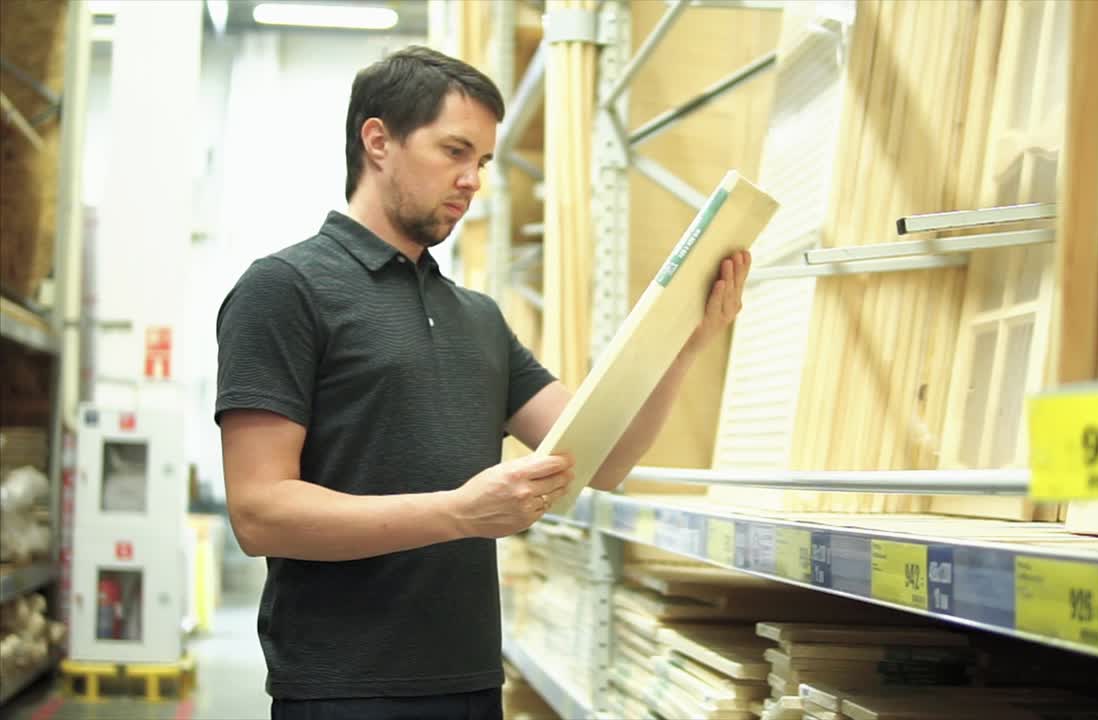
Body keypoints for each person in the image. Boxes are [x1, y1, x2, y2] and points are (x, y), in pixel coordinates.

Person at [215, 45, 751, 720]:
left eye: (485, 162)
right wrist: (459, 514)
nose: (472, 181)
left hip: (471, 682)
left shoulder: (477, 318)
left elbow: (605, 457)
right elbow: (260, 512)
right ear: (377, 141)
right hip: (346, 689)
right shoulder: (285, 289)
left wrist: (687, 342)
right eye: (454, 151)